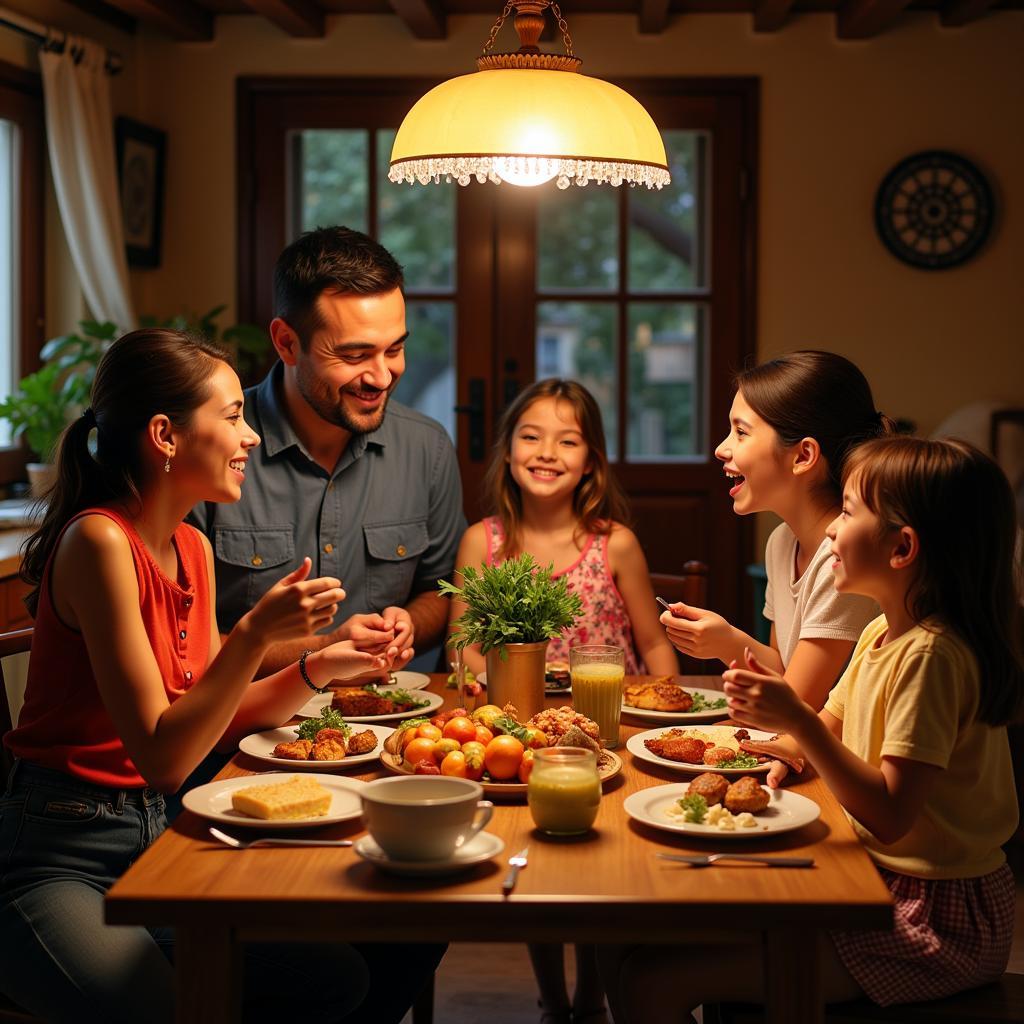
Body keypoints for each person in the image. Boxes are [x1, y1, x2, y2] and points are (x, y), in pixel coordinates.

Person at [0, 329, 438, 1024]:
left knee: (338, 976)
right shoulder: (99, 543)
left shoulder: (192, 547)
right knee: (170, 1010)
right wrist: (257, 633)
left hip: (155, 842)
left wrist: (318, 665)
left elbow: (213, 713)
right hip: (56, 858)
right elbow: (166, 756)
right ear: (166, 436)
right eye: (232, 417)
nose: (251, 438)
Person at [599, 436, 1023, 1020]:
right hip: (871, 876)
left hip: (934, 913)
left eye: (847, 513)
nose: (829, 531)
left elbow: (892, 815)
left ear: (902, 548)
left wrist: (795, 721)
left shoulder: (933, 658)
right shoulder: (882, 634)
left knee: (652, 980)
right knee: (630, 942)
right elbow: (818, 733)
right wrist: (776, 750)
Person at [449, 378, 677, 1024]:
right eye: (531, 435)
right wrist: (476, 682)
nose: (547, 452)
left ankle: (593, 1001)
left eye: (567, 440)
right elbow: (463, 645)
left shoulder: (616, 543)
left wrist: (666, 705)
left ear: (591, 462)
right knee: (542, 871)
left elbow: (654, 646)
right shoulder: (482, 542)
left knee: (600, 873)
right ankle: (553, 999)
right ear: (507, 452)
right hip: (521, 742)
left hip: (609, 737)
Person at [189, 225, 465, 678]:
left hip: (394, 724)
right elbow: (181, 647)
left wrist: (410, 624)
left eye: (394, 349)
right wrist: (323, 652)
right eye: (355, 356)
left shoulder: (427, 447)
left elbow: (443, 591)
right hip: (245, 735)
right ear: (287, 343)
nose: (382, 376)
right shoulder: (210, 450)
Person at [660, 351, 887, 710]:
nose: (721, 448)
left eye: (741, 432)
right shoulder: (782, 541)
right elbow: (784, 672)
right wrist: (726, 641)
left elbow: (798, 707)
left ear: (802, 456)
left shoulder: (842, 555)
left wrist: (727, 643)